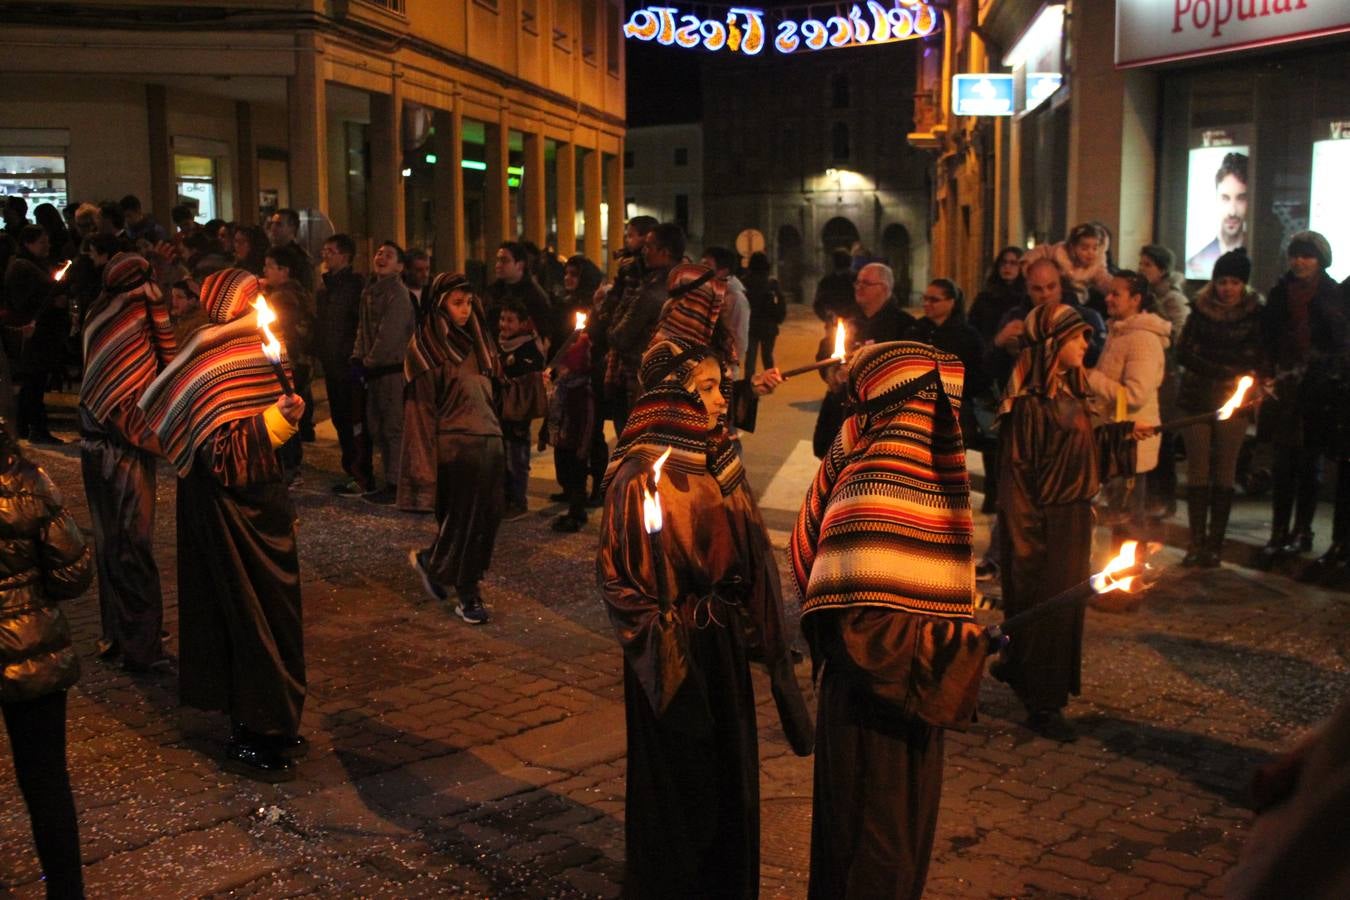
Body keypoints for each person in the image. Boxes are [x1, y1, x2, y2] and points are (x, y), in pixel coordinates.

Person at [596, 287, 812, 898]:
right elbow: (625, 586)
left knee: (728, 778)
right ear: (678, 395)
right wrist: (669, 653)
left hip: (718, 648)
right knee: (683, 782)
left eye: (721, 386)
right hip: (677, 654)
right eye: (713, 387)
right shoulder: (643, 476)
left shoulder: (716, 457)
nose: (724, 398)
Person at [791, 341, 988, 900]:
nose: (947, 416)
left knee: (898, 847)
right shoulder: (875, 485)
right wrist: (957, 646)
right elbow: (863, 632)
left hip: (906, 706)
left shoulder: (916, 478)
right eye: (937, 400)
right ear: (906, 404)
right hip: (871, 715)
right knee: (873, 853)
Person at [138, 268, 308, 782]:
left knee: (276, 615)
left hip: (261, 502)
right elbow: (219, 452)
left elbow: (261, 426)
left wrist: (288, 414)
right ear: (234, 301)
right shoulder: (213, 358)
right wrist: (277, 422)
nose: (264, 303)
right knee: (247, 616)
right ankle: (259, 730)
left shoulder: (259, 346)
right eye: (255, 296)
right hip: (227, 510)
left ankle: (275, 717)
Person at [993, 303, 1146, 742]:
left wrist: (1118, 437)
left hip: (1073, 519)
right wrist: (1027, 543)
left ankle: (1031, 679)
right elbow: (1017, 481)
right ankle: (1044, 703)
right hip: (1044, 526)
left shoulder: (1069, 393)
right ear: (1052, 344)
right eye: (1077, 336)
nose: (1087, 342)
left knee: (1063, 611)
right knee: (1050, 612)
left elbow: (1078, 453)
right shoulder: (1028, 406)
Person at [0, 418, 94, 899]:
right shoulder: (28, 481)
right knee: (46, 784)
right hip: (32, 650)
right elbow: (73, 571)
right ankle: (66, 890)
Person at [78, 253, 178, 673]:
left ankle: (117, 633)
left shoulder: (99, 309)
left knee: (109, 542)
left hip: (92, 442)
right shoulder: (139, 312)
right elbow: (163, 363)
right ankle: (142, 645)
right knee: (132, 543)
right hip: (122, 445)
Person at [406, 274, 504, 626]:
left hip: (491, 444)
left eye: (468, 303)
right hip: (455, 448)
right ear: (439, 305)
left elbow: (498, 398)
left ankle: (433, 562)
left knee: (485, 522)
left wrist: (536, 386)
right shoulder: (426, 351)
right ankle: (468, 594)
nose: (464, 311)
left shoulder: (481, 346)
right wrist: (422, 469)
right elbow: (419, 413)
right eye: (456, 303)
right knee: (465, 523)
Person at [1258, 231, 1346, 566]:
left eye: (1307, 256)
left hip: (1318, 391)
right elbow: (1268, 338)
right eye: (1296, 255)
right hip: (1284, 386)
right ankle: (1279, 531)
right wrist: (1267, 373)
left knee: (1310, 464)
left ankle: (1303, 530)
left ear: (1320, 259)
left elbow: (1337, 343)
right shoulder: (1281, 293)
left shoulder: (1332, 295)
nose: (1300, 262)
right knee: (1283, 463)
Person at [1175, 248, 1265, 567]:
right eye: (1222, 281)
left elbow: (1257, 356)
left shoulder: (1256, 315)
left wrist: (1237, 377)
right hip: (1196, 398)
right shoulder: (1199, 310)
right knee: (1198, 469)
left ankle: (1215, 544)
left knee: (1225, 470)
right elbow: (1183, 352)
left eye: (1234, 282)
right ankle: (1196, 542)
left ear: (1244, 285)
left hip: (1233, 402)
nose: (1227, 288)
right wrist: (1221, 370)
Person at [1082, 271, 1171, 536]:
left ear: (1136, 299)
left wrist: (1092, 378)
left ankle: (1130, 575)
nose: (1108, 298)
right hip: (1116, 439)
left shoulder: (1141, 339)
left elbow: (1135, 395)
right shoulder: (1120, 332)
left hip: (1131, 442)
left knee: (1128, 519)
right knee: (1120, 516)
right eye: (1108, 292)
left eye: (1115, 293)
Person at [812, 261, 917, 458]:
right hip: (841, 412)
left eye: (865, 283)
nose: (858, 287)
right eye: (857, 282)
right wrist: (832, 373)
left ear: (883, 288)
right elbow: (826, 351)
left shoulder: (904, 326)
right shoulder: (847, 318)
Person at [352, 240, 415, 505]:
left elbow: (389, 335)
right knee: (376, 426)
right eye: (379, 252)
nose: (381, 257)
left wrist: (368, 361)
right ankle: (388, 479)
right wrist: (357, 357)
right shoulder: (370, 291)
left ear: (399, 266)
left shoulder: (398, 294)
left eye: (388, 255)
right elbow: (363, 329)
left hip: (389, 370)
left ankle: (396, 482)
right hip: (373, 370)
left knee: (392, 428)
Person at [608, 223, 682, 432]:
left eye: (649, 246)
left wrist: (615, 307)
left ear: (665, 253)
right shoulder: (691, 284)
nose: (644, 252)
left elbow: (619, 337)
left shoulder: (650, 292)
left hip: (641, 380)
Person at [315, 234, 372, 496]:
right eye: (324, 250)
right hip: (332, 364)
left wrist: (356, 359)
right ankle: (351, 470)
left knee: (353, 421)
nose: (325, 255)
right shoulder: (327, 288)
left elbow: (356, 326)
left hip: (348, 365)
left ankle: (361, 474)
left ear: (345, 256)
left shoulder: (354, 287)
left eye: (331, 251)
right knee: (340, 419)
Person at [1137, 244, 1190, 519]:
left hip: (1167, 376)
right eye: (1141, 263)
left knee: (1164, 440)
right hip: (1152, 376)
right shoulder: (1146, 296)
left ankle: (1164, 498)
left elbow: (1178, 338)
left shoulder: (1172, 299)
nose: (1142, 269)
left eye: (1148, 264)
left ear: (1162, 269)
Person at [3, 224, 69, 443]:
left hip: (41, 334)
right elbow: (26, 299)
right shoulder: (23, 267)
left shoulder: (34, 265)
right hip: (32, 334)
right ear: (28, 243)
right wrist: (52, 301)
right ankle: (35, 427)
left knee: (34, 382)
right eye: (41, 242)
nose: (46, 246)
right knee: (34, 381)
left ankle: (25, 425)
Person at [913, 278, 990, 452]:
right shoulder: (916, 330)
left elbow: (978, 377)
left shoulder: (967, 336)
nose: (927, 304)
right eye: (924, 299)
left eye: (934, 300)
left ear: (951, 302)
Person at [262, 243, 317, 476]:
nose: (265, 271)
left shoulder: (282, 298)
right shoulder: (299, 292)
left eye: (269, 267)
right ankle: (291, 465)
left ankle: (289, 467)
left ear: (284, 271)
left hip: (289, 363)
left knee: (286, 413)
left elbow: (282, 332)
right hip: (301, 361)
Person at [497, 299, 546, 519]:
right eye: (502, 319)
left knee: (517, 456)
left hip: (518, 410)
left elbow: (530, 375)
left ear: (522, 323)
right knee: (501, 455)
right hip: (500, 407)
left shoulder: (528, 346)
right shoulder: (499, 342)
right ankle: (504, 497)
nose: (504, 325)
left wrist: (510, 367)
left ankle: (518, 500)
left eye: (510, 320)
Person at [1023, 223, 1113, 312]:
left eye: (1095, 248)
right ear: (1073, 247)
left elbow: (1103, 279)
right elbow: (1043, 250)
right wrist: (1028, 262)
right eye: (1084, 248)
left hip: (1078, 298)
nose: (1090, 253)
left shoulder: (1096, 266)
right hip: (1057, 289)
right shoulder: (1060, 253)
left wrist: (1112, 288)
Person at [1186, 151, 1248, 278]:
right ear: (1215, 199)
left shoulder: (1261, 258)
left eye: (1241, 198)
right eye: (1225, 198)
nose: (1232, 211)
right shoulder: (1195, 264)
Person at [486, 241, 554, 350]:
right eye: (498, 260)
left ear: (519, 265)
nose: (498, 265)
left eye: (504, 261)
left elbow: (543, 332)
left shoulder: (534, 296)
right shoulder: (492, 292)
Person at [701, 246, 749, 379]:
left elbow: (739, 338)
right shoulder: (709, 292)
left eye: (707, 265)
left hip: (722, 370)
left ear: (723, 271)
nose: (700, 270)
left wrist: (728, 365)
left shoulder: (735, 298)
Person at [742, 251, 785, 380]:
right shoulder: (771, 283)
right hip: (768, 326)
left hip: (751, 325)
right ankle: (770, 381)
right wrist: (779, 318)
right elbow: (781, 302)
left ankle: (749, 385)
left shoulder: (745, 282)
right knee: (767, 356)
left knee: (750, 357)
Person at [813, 248, 857, 323]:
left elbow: (818, 303)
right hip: (838, 320)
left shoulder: (826, 281)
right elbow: (818, 303)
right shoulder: (857, 278)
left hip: (851, 322)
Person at [404, 247, 432, 318]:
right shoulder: (398, 294)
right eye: (419, 270)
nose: (425, 274)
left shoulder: (433, 291)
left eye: (427, 269)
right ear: (406, 270)